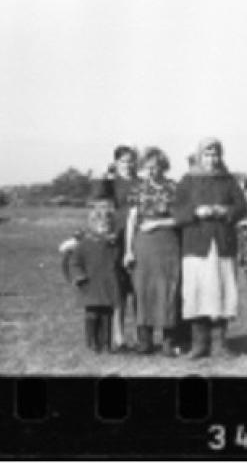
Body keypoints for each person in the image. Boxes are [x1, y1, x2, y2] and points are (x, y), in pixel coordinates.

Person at [173, 138, 246, 359]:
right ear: (199, 156)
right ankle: (199, 344)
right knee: (198, 292)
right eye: (207, 155)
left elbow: (242, 207)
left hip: (223, 244)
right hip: (196, 245)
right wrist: (195, 212)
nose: (211, 159)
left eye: (215, 155)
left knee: (222, 291)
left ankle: (220, 343)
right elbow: (176, 211)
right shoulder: (187, 181)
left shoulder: (228, 180)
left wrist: (225, 211)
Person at [124, 147, 180, 356]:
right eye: (148, 167)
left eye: (156, 166)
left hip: (168, 245)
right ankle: (144, 341)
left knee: (167, 291)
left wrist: (157, 223)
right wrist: (128, 250)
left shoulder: (174, 188)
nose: (152, 171)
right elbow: (131, 220)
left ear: (163, 166)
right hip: (143, 246)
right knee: (143, 290)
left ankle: (168, 340)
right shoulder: (137, 188)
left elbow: (181, 219)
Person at [67, 179, 122, 353]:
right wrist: (79, 276)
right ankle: (92, 343)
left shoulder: (113, 244)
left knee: (107, 315)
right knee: (92, 315)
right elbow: (74, 262)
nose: (104, 228)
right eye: (100, 226)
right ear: (92, 225)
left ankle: (106, 343)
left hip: (108, 285)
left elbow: (118, 261)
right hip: (90, 285)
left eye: (107, 226)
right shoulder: (85, 244)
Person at [107, 144, 139, 352]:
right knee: (117, 290)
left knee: (137, 289)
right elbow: (102, 212)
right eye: (123, 161)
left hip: (138, 239)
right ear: (116, 162)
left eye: (130, 161)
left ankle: (140, 336)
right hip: (116, 240)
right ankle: (118, 337)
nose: (127, 165)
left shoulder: (141, 183)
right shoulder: (110, 184)